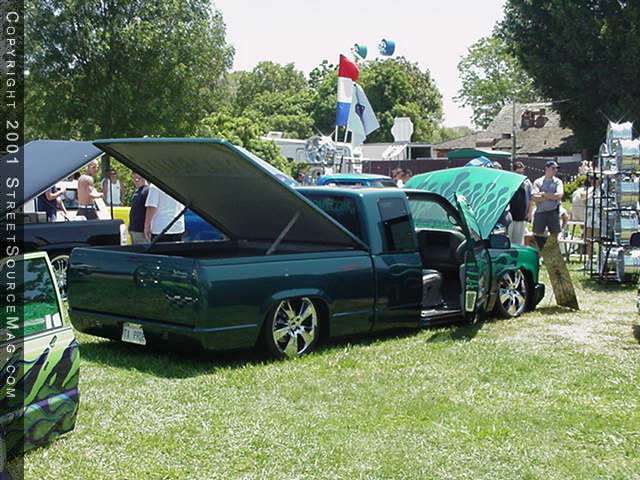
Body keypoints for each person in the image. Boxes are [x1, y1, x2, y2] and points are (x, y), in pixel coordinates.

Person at [531, 160, 564, 249]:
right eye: (553, 168)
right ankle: (540, 253)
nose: (555, 170)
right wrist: (551, 196)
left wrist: (544, 195)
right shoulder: (538, 181)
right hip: (540, 212)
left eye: (556, 169)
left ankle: (550, 253)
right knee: (538, 235)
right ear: (546, 168)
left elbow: (559, 195)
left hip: (553, 212)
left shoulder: (558, 182)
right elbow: (534, 197)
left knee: (554, 235)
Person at [507, 161, 533, 245]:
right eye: (518, 172)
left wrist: (529, 213)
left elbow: (531, 199)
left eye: (522, 172)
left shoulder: (527, 182)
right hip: (509, 216)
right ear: (513, 171)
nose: (520, 174)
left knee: (518, 241)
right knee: (508, 240)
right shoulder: (508, 181)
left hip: (521, 216)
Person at [128, 174, 149, 244]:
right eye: (133, 179)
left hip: (141, 229)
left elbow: (150, 210)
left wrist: (147, 227)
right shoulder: (137, 191)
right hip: (134, 228)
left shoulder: (148, 190)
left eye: (137, 179)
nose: (135, 182)